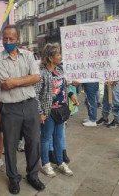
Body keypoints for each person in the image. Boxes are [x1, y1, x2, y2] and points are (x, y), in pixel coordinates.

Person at [0, 25, 45, 194]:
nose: (8, 42)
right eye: (5, 39)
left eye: (11, 39)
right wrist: (26, 79)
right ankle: (13, 178)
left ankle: (33, 175)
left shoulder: (29, 56)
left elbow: (36, 78)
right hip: (10, 108)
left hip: (30, 105)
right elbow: (4, 84)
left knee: (34, 142)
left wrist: (15, 81)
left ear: (18, 40)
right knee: (10, 145)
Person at [35, 43, 78, 178]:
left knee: (59, 138)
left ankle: (60, 163)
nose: (60, 56)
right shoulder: (41, 73)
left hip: (61, 110)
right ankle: (46, 164)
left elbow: (62, 87)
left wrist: (71, 92)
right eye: (58, 54)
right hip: (48, 112)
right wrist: (40, 113)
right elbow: (35, 94)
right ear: (50, 57)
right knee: (46, 138)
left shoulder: (59, 70)